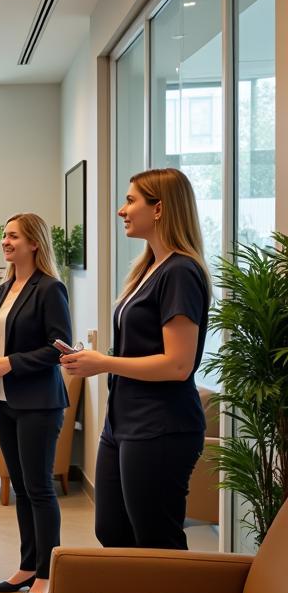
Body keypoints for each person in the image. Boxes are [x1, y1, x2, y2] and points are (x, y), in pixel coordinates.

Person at [62, 168, 210, 550]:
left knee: (156, 541)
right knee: (112, 531)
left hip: (160, 426)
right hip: (124, 422)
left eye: (131, 201)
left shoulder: (180, 272)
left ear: (159, 209)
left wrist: (104, 363)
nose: (121, 210)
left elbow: (178, 365)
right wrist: (94, 360)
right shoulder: (148, 268)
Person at [0, 213, 72, 593]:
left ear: (34, 243)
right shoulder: (5, 288)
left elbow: (58, 347)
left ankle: (48, 574)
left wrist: (10, 363)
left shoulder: (50, 289)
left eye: (13, 236)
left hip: (40, 403)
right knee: (21, 487)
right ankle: (27, 565)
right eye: (4, 236)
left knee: (40, 488)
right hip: (6, 401)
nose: (6, 242)